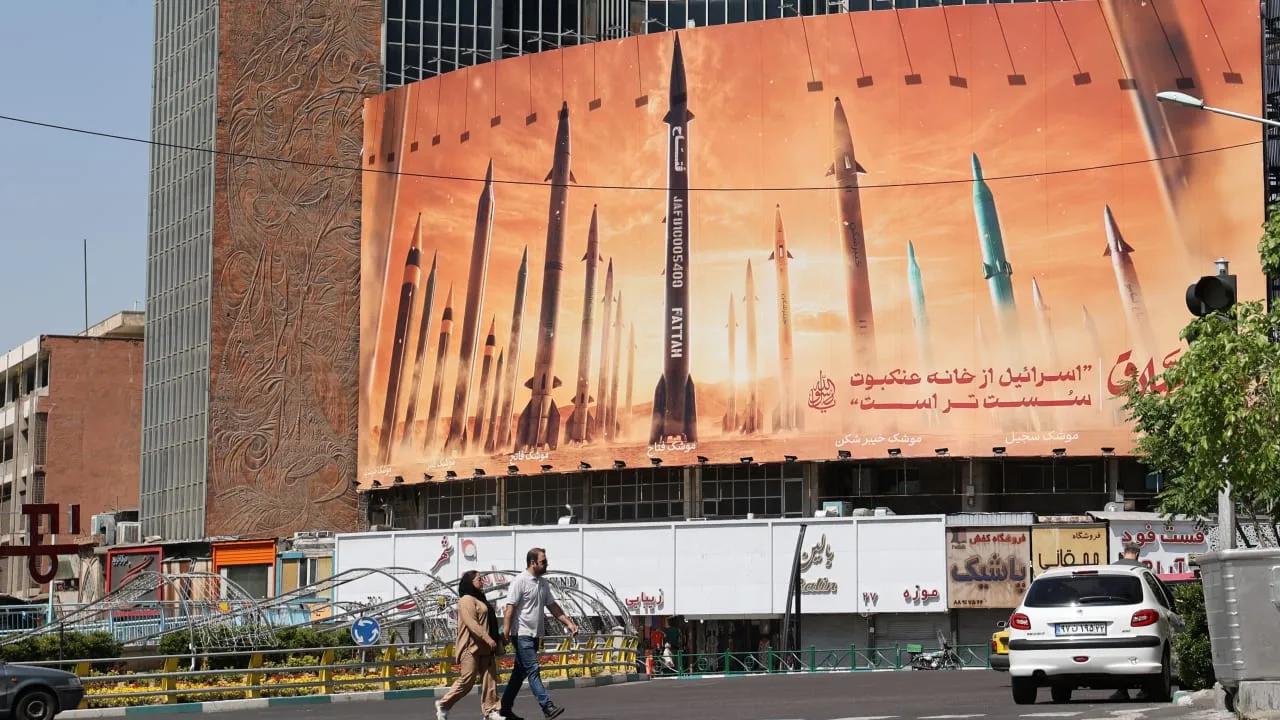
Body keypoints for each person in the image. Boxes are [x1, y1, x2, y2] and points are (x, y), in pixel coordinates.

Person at [500, 548, 579, 720]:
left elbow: (553, 606)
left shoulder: (543, 583)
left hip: (535, 635)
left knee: (519, 674)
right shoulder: (520, 581)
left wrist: (569, 623)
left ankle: (504, 708)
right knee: (533, 669)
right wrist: (506, 631)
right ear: (532, 562)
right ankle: (547, 707)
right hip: (521, 634)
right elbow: (510, 608)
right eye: (543, 561)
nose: (546, 564)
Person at [436, 571, 504, 720]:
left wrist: (496, 639)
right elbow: (472, 624)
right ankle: (443, 704)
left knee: (490, 679)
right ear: (470, 582)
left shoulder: (480, 598)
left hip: (485, 647)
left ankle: (491, 711)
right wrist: (488, 638)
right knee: (467, 681)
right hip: (470, 646)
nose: (482, 581)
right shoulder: (466, 600)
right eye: (479, 579)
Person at [1110, 542, 1145, 700]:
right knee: (1142, 656)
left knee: (1119, 655)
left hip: (1115, 616)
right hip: (1138, 616)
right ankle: (1145, 689)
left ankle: (1121, 690)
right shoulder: (1143, 570)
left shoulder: (1113, 568)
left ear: (1124, 553)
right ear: (1137, 554)